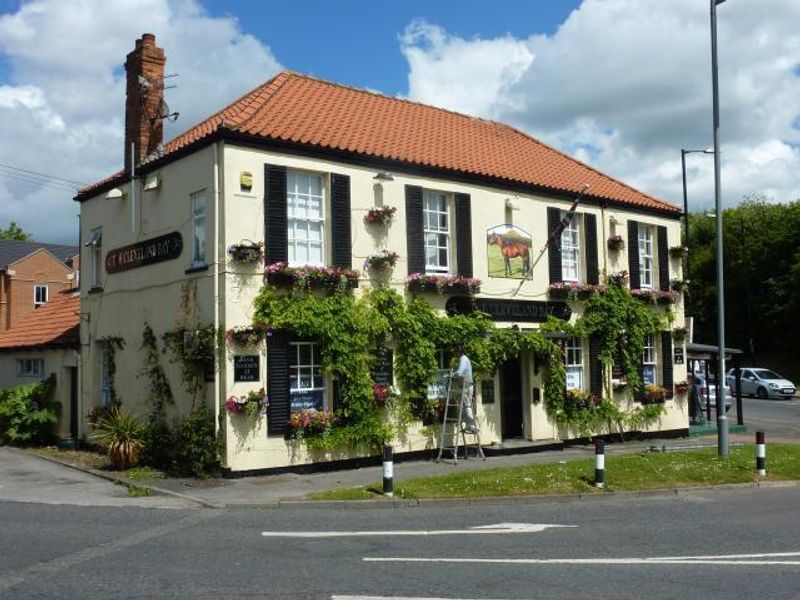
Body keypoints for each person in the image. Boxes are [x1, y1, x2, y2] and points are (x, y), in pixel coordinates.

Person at [453, 344, 479, 433]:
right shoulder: (462, 359)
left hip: (466, 387)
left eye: (454, 351)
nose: (453, 353)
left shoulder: (463, 359)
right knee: (465, 407)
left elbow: (460, 372)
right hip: (465, 386)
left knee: (467, 407)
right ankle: (469, 427)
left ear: (458, 351)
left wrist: (452, 375)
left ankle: (475, 426)